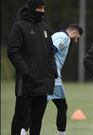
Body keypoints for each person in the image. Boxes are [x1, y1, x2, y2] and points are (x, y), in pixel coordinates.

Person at [20, 24, 83, 135]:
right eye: (78, 38)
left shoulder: (56, 35)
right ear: (75, 33)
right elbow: (50, 51)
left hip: (44, 76)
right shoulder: (64, 38)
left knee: (38, 108)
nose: (77, 41)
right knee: (61, 107)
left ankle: (23, 131)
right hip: (52, 79)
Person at [7, 0, 57, 135]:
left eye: (44, 8)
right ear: (32, 9)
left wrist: (53, 71)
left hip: (43, 81)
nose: (42, 11)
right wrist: (26, 72)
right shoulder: (19, 26)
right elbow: (13, 51)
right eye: (39, 8)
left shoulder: (45, 28)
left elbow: (51, 53)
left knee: (37, 119)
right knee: (20, 117)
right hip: (27, 82)